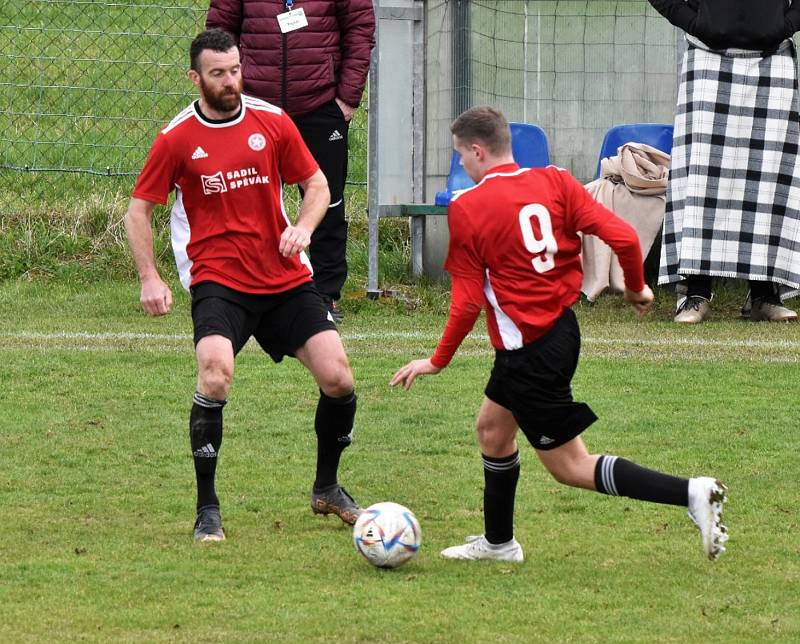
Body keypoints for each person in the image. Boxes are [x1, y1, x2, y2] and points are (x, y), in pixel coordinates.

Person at [390, 106, 729, 563]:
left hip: (529, 351)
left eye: (461, 156)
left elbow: (468, 301)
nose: (462, 166)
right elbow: (625, 239)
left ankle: (691, 493)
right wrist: (635, 287)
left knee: (571, 467)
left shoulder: (469, 208)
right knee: (492, 431)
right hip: (559, 332)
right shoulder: (555, 180)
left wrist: (437, 360)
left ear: (476, 150)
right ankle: (499, 543)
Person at [123, 29, 362, 542]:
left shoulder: (271, 121)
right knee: (214, 376)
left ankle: (327, 487)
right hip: (219, 278)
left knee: (339, 378)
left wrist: (303, 226)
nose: (229, 81)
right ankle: (207, 509)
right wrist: (150, 277)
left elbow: (317, 184)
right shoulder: (178, 137)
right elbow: (138, 209)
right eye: (217, 73)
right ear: (195, 77)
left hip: (283, 276)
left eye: (234, 70)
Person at [206, 0, 376, 323]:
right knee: (248, 201)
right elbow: (219, 29)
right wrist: (228, 91)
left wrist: (346, 98)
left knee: (328, 201)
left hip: (321, 104)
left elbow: (360, 29)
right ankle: (246, 287)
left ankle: (325, 294)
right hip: (256, 106)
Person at [648, 0, 800, 323]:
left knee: (767, 180)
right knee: (703, 182)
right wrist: (696, 22)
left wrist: (785, 24)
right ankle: (696, 292)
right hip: (707, 55)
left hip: (773, 57)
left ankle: (764, 295)